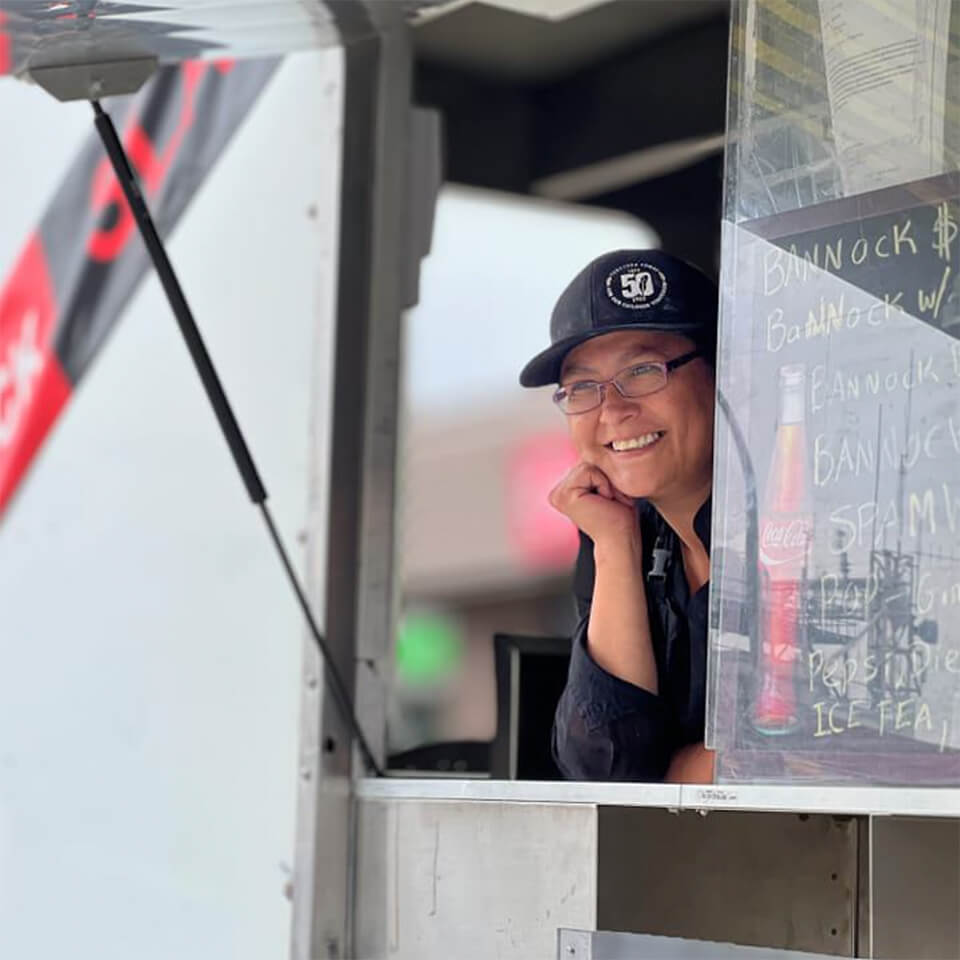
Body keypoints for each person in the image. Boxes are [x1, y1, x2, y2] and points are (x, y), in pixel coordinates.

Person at [519, 250, 717, 783]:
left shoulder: (795, 519)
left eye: (642, 370)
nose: (612, 410)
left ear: (722, 372)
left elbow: (813, 749)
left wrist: (673, 774)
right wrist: (613, 545)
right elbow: (606, 765)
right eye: (583, 388)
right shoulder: (620, 532)